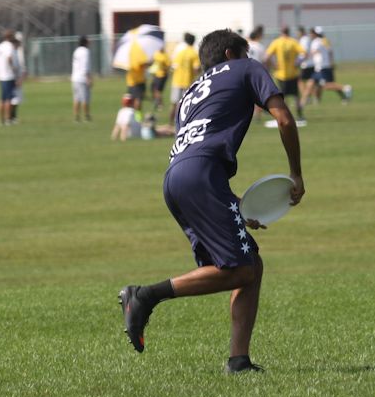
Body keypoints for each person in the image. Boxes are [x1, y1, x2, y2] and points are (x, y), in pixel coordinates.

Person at [118, 29, 304, 374]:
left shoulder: (191, 93)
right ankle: (145, 296)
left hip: (176, 178)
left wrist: (236, 206)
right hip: (201, 175)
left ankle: (239, 360)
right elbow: (283, 118)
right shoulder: (246, 68)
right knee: (240, 269)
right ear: (232, 54)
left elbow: (194, 149)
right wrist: (296, 173)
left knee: (250, 263)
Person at [306, 28, 352, 104]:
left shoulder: (316, 42)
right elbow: (330, 52)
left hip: (321, 67)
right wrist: (331, 63)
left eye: (312, 33)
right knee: (320, 83)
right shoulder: (326, 41)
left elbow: (313, 52)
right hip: (327, 66)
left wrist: (304, 58)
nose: (311, 35)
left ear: (315, 34)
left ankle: (345, 88)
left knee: (326, 85)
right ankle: (317, 100)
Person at [0, 29, 23, 125]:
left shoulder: (0, 46)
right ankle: (8, 119)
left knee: (2, 98)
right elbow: (9, 58)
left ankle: (1, 120)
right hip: (9, 75)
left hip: (1, 75)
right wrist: (13, 69)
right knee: (9, 99)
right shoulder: (9, 46)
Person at [170, 32, 200, 108]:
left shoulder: (180, 52)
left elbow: (173, 66)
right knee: (185, 104)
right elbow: (196, 69)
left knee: (174, 104)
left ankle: (172, 115)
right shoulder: (194, 53)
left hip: (177, 80)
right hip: (188, 82)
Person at [71, 36, 93, 122]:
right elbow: (85, 65)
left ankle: (76, 117)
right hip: (82, 78)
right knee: (85, 98)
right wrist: (88, 78)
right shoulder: (85, 51)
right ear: (85, 42)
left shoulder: (76, 51)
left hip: (75, 78)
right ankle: (87, 116)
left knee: (76, 98)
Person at [148, 45, 171, 114]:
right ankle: (157, 102)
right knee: (153, 89)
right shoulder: (156, 53)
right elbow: (152, 61)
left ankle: (160, 104)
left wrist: (163, 66)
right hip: (156, 75)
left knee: (158, 90)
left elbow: (168, 66)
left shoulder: (165, 56)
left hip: (162, 76)